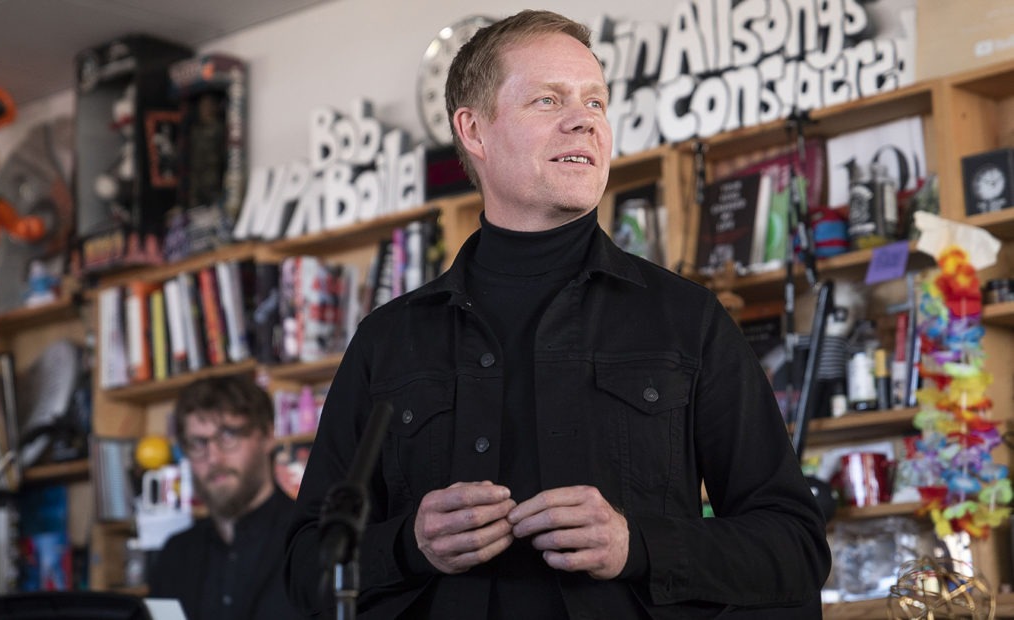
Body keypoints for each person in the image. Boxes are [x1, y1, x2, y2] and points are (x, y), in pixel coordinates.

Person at [285, 10, 830, 619]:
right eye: (548, 100)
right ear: (474, 130)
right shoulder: (388, 341)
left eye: (596, 103)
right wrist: (409, 546)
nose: (584, 121)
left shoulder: (687, 319)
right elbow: (305, 562)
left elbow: (796, 546)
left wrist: (638, 545)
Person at [149, 374, 303, 620]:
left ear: (267, 436)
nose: (213, 458)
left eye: (229, 435)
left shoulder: (311, 542)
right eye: (198, 443)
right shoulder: (174, 556)